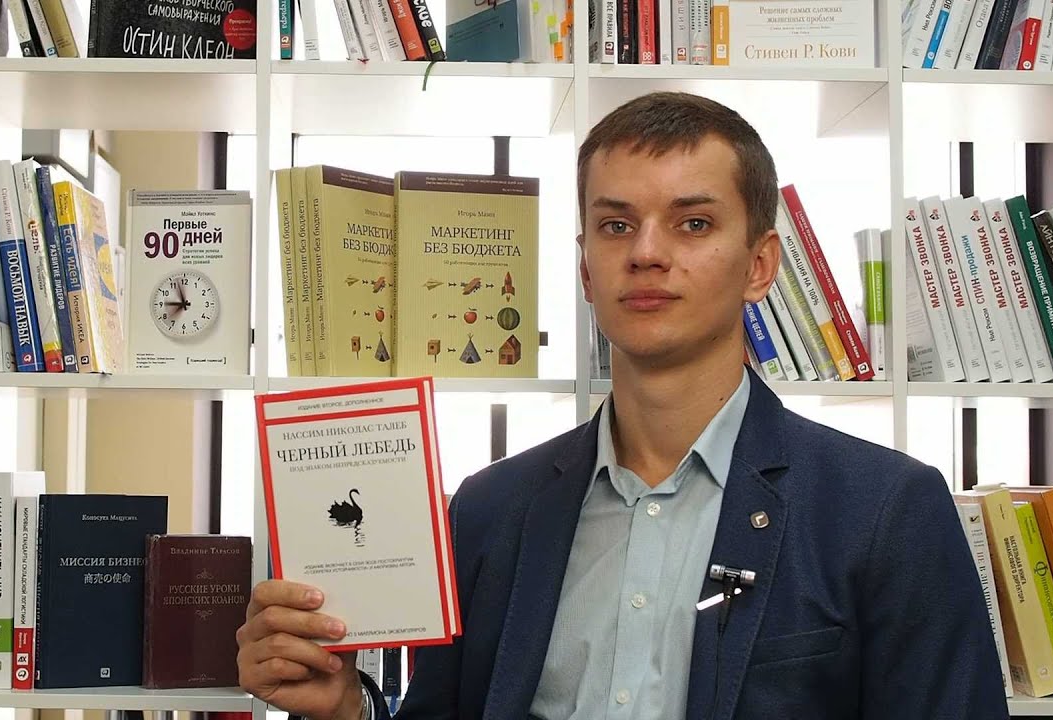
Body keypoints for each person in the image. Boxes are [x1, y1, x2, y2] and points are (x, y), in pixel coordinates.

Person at [235, 91, 1009, 720]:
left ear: (760, 265)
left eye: (693, 223)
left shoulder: (885, 512)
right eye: (616, 225)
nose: (645, 252)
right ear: (585, 269)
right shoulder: (489, 510)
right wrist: (345, 710)